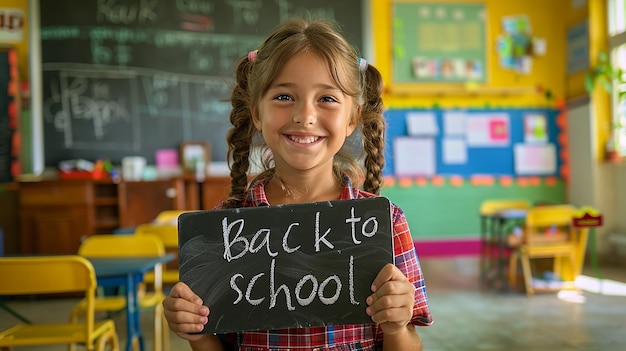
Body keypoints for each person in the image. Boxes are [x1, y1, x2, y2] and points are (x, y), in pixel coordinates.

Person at [163, 17, 433, 350]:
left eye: (327, 99)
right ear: (257, 113)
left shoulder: (387, 224)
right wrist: (198, 333)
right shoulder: (224, 230)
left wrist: (395, 327)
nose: (304, 115)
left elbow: (408, 343)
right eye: (284, 96)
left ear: (352, 118)